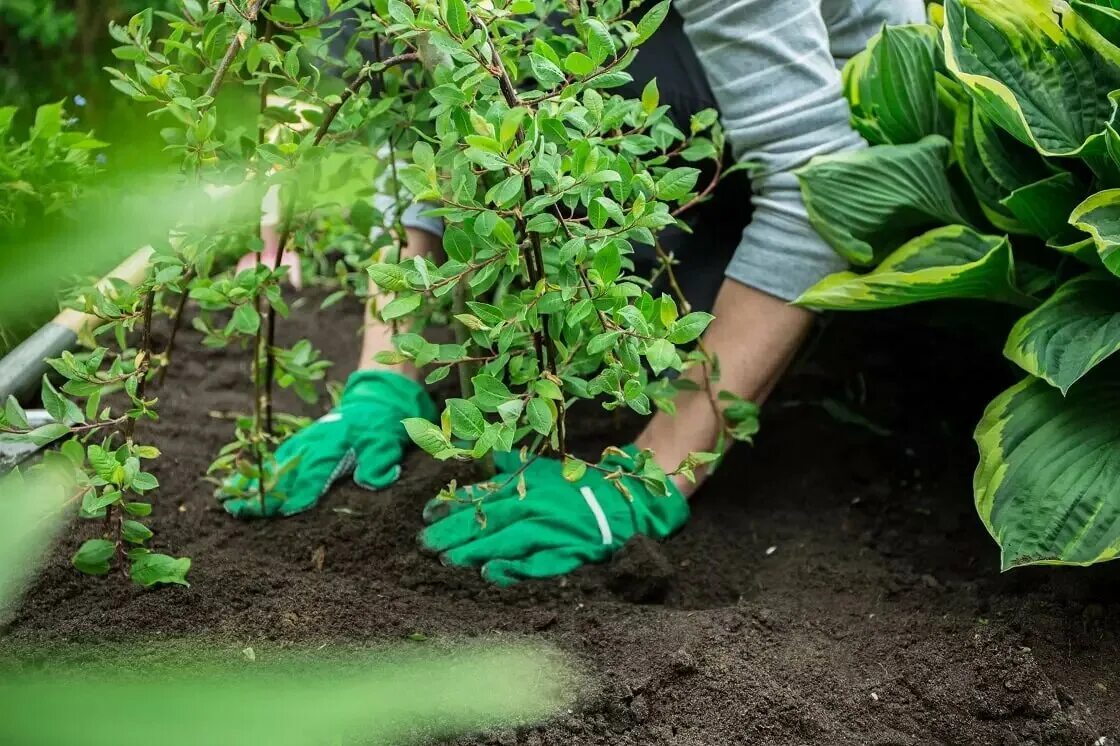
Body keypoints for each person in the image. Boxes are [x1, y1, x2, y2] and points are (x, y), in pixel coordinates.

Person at [220, 1, 925, 586]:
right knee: (497, 74)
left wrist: (653, 471)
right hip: (674, 115)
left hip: (852, 137)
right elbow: (427, 130)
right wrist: (385, 371)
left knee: (608, 100)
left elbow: (821, 187)